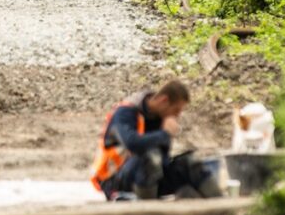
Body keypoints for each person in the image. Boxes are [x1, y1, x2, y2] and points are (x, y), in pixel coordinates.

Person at [90, 79, 221, 200]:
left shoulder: (159, 118)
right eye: (176, 110)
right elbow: (132, 143)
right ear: (164, 101)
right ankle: (148, 210)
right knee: (151, 158)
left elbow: (163, 158)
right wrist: (165, 134)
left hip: (146, 177)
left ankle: (222, 206)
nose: (176, 116)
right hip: (114, 179)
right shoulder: (125, 112)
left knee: (190, 162)